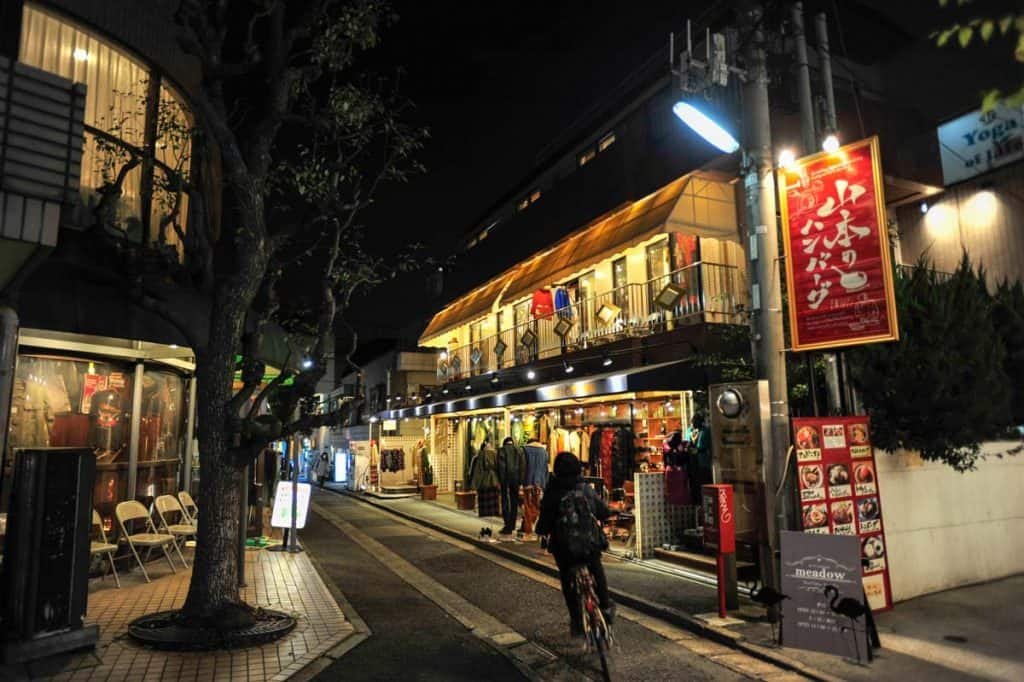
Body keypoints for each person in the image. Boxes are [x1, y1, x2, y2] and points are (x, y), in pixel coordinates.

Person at [536, 452, 614, 637]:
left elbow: (545, 519)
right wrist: (607, 513)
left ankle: (577, 621)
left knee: (567, 578)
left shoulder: (553, 490)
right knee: (596, 567)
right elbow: (602, 510)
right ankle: (605, 605)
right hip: (589, 543)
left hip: (564, 548)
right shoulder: (584, 487)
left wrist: (542, 531)